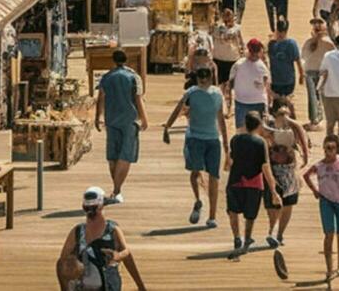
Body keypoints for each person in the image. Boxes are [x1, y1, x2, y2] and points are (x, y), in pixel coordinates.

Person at [162, 65, 228, 227]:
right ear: (197, 79)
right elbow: (178, 109)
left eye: (205, 80)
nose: (203, 83)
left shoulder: (218, 94)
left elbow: (221, 119)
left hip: (213, 139)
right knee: (195, 172)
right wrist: (167, 128)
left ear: (211, 79)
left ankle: (212, 216)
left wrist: (226, 144)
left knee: (214, 177)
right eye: (200, 80)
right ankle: (198, 199)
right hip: (195, 138)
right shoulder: (191, 93)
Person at [57, 186, 146, 291]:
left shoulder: (111, 230)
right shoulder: (79, 232)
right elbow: (62, 263)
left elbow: (126, 253)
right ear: (102, 205)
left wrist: (118, 256)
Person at [303, 133, 339, 283]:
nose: (329, 151)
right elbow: (306, 175)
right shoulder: (319, 166)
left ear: (337, 149)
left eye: (332, 148)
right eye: (327, 148)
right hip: (326, 201)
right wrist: (315, 191)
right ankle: (329, 268)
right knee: (329, 234)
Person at [224, 110, 280, 260]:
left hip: (235, 180)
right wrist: (273, 190)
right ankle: (247, 238)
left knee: (233, 211)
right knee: (250, 215)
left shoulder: (235, 139)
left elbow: (230, 161)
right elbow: (265, 166)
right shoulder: (261, 142)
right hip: (254, 182)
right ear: (259, 125)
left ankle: (237, 237)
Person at [95, 47, 147, 204]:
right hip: (129, 120)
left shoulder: (106, 77)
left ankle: (116, 190)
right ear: (127, 60)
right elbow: (138, 99)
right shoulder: (134, 77)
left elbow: (100, 98)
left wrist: (98, 117)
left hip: (112, 120)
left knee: (113, 156)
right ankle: (117, 190)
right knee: (126, 155)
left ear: (113, 60)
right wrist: (144, 118)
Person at [262, 96, 309, 249]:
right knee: (273, 205)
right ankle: (272, 230)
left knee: (288, 204)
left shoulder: (294, 127)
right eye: (281, 112)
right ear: (274, 113)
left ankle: (279, 233)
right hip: (272, 169)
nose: (284, 116)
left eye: (287, 112)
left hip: (289, 170)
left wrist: (305, 159)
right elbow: (263, 134)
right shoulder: (268, 125)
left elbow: (303, 140)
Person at [225, 38, 272, 130]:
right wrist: (229, 104)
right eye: (252, 51)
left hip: (258, 103)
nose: (254, 54)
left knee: (258, 131)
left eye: (256, 51)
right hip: (241, 103)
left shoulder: (262, 67)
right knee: (241, 131)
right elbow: (230, 84)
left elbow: (267, 86)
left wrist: (268, 105)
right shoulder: (238, 65)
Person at [301, 17, 334, 130]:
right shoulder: (311, 42)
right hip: (312, 71)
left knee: (316, 96)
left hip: (319, 72)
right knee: (314, 96)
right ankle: (315, 119)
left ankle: (317, 120)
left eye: (320, 23)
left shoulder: (327, 42)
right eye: (315, 23)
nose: (317, 25)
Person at [268, 17, 304, 102]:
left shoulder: (291, 44)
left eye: (283, 31)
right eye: (279, 31)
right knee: (277, 103)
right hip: (275, 80)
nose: (281, 34)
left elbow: (297, 60)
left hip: (288, 80)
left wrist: (301, 75)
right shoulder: (271, 44)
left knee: (287, 101)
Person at [213, 7, 244, 87]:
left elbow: (241, 42)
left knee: (231, 85)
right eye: (226, 19)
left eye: (230, 18)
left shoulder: (237, 28)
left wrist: (242, 53)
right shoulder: (218, 28)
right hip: (219, 58)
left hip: (232, 59)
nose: (228, 22)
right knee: (219, 84)